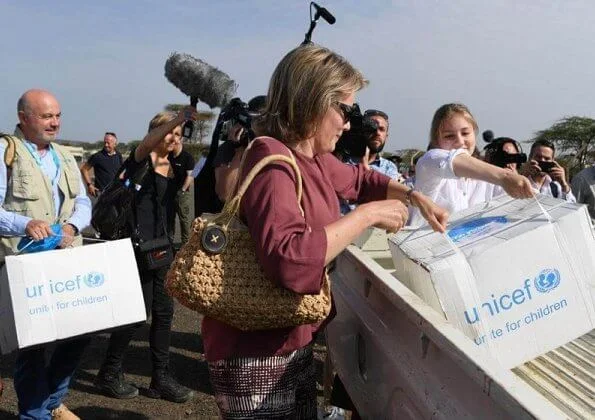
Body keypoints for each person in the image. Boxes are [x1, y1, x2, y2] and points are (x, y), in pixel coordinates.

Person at [201, 43, 448, 419]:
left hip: (287, 339)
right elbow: (290, 261)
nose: (348, 124)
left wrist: (415, 196)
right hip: (256, 351)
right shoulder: (273, 161)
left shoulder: (311, 157)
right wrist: (365, 217)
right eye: (345, 110)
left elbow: (360, 179)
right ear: (312, 100)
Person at [94, 108, 197, 403]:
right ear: (156, 132)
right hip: (136, 248)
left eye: (179, 135)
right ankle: (109, 373)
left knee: (164, 314)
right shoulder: (139, 158)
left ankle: (160, 378)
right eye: (169, 132)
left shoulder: (175, 166)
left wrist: (183, 161)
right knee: (137, 315)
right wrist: (179, 118)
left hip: (162, 247)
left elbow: (182, 197)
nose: (174, 138)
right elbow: (148, 143)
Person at [0, 89, 91, 420]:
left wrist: (73, 226)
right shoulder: (5, 153)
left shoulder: (65, 155)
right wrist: (25, 223)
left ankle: (52, 401)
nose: (55, 123)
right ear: (24, 118)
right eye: (46, 116)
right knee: (34, 346)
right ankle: (36, 414)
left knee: (80, 332)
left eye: (58, 115)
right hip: (26, 264)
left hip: (66, 259)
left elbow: (82, 201)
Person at [408, 103, 534, 227]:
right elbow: (447, 160)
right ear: (436, 140)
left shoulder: (489, 181)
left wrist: (519, 183)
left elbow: (528, 205)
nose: (460, 141)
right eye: (449, 136)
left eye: (465, 133)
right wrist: (505, 177)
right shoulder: (429, 165)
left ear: (474, 133)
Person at [168, 136, 195, 245]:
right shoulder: (169, 156)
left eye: (174, 140)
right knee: (169, 219)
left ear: (181, 140)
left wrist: (182, 190)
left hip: (182, 193)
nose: (171, 142)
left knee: (184, 220)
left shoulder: (188, 157)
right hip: (169, 193)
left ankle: (185, 245)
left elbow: (191, 176)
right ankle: (169, 243)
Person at [80, 132, 123, 197]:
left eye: (108, 143)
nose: (106, 145)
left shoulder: (118, 155)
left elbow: (121, 171)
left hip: (115, 194)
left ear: (115, 144)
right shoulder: (97, 156)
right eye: (105, 142)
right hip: (101, 194)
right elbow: (84, 169)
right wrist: (89, 185)